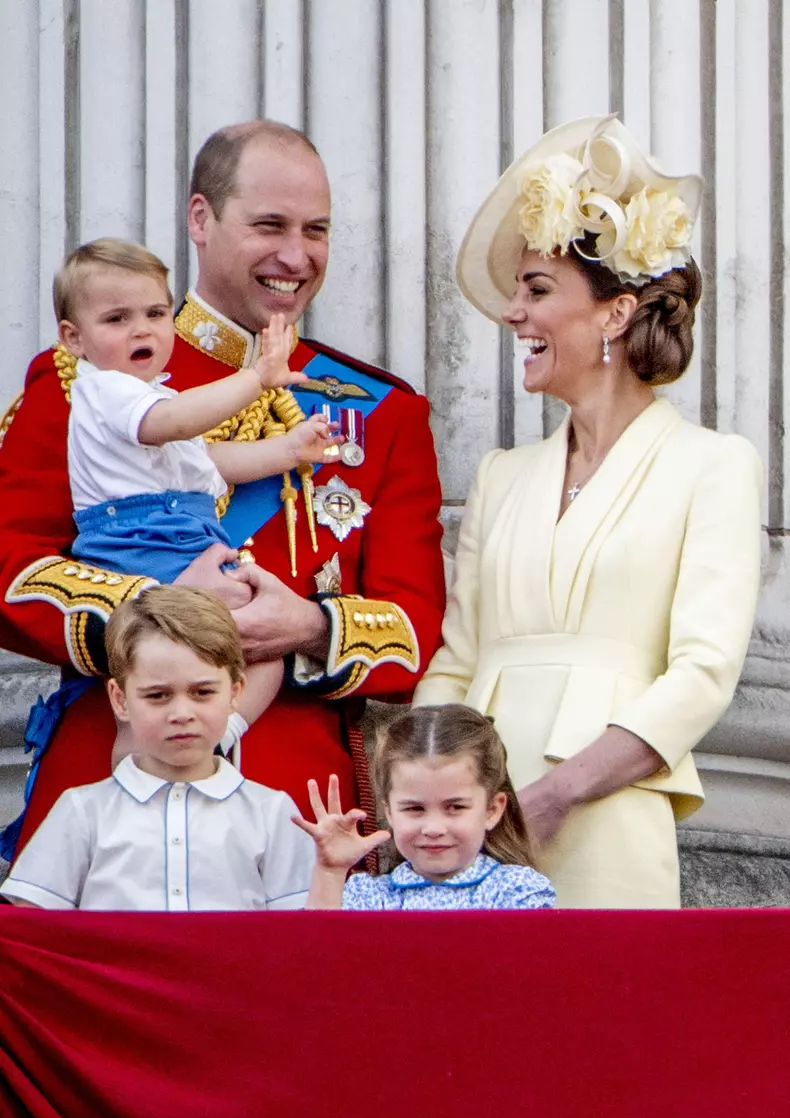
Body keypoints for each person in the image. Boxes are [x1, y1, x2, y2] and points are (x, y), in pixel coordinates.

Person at [0, 120, 445, 859]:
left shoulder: (383, 413)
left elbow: (414, 626)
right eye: (269, 224)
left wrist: (306, 626)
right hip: (113, 797)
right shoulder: (85, 380)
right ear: (200, 220)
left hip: (298, 816)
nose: (296, 255)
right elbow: (8, 568)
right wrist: (156, 613)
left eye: (316, 230)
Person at [413, 115, 763, 908]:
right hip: (471, 836)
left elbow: (702, 673)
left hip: (608, 822)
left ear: (615, 313)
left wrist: (559, 793)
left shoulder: (713, 466)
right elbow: (454, 664)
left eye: (537, 291)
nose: (512, 314)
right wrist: (433, 798)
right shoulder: (501, 476)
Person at [59, 238, 336, 761]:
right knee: (157, 675)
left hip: (180, 531)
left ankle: (217, 740)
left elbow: (208, 462)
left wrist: (288, 449)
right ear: (74, 339)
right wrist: (257, 377)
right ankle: (136, 780)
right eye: (117, 319)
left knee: (256, 658)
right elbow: (177, 423)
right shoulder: (108, 390)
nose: (141, 329)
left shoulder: (151, 393)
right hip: (144, 543)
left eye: (156, 313)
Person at [0, 586, 314, 910]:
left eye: (202, 692)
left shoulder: (271, 812)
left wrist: (331, 870)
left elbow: (302, 938)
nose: (181, 714)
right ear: (120, 699)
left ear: (235, 693)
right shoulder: (82, 811)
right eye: (157, 695)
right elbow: (34, 932)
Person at [295, 704, 555, 910]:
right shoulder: (369, 897)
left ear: (492, 810)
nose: (433, 828)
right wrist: (330, 872)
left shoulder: (517, 892)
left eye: (455, 807)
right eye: (414, 809)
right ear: (389, 812)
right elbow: (318, 961)